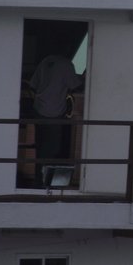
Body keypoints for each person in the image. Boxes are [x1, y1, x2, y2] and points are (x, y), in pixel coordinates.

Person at [30, 54, 83, 185]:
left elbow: (33, 85)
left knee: (41, 147)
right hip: (54, 112)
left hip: (39, 109)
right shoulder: (66, 65)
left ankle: (39, 180)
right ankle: (49, 182)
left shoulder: (45, 60)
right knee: (53, 149)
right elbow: (75, 85)